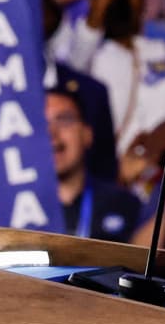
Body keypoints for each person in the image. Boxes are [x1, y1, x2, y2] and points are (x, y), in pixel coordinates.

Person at [46, 90, 141, 242]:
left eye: (63, 120)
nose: (51, 133)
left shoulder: (124, 204)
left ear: (87, 134)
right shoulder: (6, 209)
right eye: (41, 123)